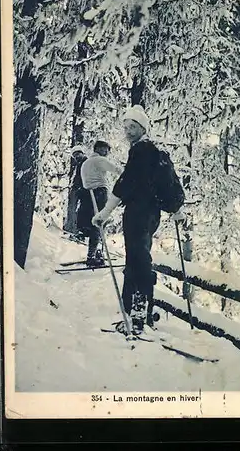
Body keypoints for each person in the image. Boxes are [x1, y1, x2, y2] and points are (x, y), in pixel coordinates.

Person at [92, 105, 185, 335]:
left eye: (133, 127)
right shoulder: (152, 152)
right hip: (151, 214)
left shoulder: (141, 151)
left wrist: (105, 213)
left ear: (142, 128)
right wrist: (174, 209)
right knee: (139, 255)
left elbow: (125, 183)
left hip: (138, 213)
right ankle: (138, 309)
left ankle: (138, 312)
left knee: (138, 258)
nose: (128, 131)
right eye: (126, 127)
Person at [81, 140, 122, 267]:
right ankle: (94, 255)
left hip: (88, 193)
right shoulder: (99, 160)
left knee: (95, 222)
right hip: (99, 191)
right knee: (100, 222)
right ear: (99, 149)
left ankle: (93, 253)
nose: (107, 153)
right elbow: (116, 169)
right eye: (106, 150)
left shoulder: (86, 162)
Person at [68, 145, 88, 241]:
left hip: (85, 191)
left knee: (83, 211)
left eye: (77, 154)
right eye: (75, 156)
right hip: (81, 190)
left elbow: (83, 177)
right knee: (80, 211)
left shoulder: (85, 162)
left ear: (82, 153)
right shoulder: (80, 163)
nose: (76, 157)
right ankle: (81, 232)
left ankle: (82, 233)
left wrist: (79, 187)